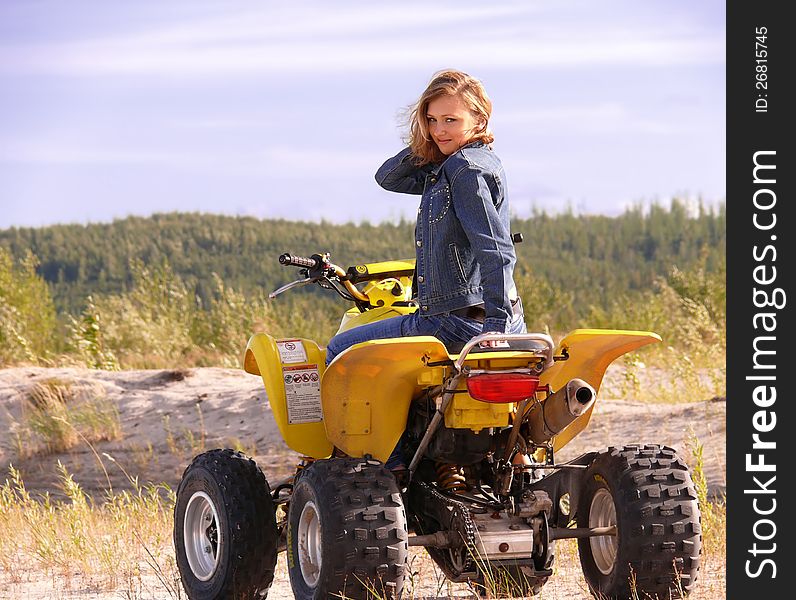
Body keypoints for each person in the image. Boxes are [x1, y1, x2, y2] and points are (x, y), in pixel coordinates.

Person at [325, 69, 526, 468]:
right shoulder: (453, 165)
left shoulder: (464, 171)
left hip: (455, 321)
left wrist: (495, 330)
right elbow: (388, 177)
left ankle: (387, 464)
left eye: (451, 120)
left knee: (339, 350)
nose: (439, 130)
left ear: (479, 121)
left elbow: (497, 249)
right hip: (487, 316)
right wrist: (428, 143)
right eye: (431, 120)